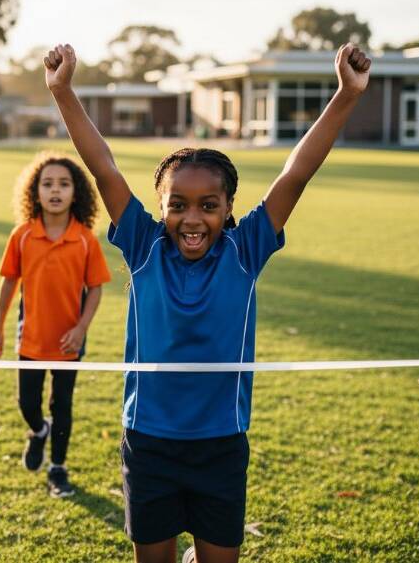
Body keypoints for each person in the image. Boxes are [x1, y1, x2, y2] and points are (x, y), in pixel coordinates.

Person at [44, 43, 371, 562]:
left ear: (229, 209)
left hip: (221, 443)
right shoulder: (143, 246)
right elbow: (103, 165)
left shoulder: (246, 249)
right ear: (159, 208)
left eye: (208, 206)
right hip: (149, 441)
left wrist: (346, 96)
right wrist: (62, 91)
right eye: (177, 205)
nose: (192, 219)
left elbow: (295, 172)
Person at [0, 152, 112, 498]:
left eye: (63, 184)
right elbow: (9, 283)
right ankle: (38, 430)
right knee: (27, 403)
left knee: (63, 405)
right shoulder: (23, 235)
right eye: (47, 184)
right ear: (35, 192)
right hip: (30, 337)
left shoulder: (85, 239)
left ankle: (58, 468)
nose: (55, 190)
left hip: (69, 341)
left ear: (77, 192)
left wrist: (82, 328)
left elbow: (96, 288)